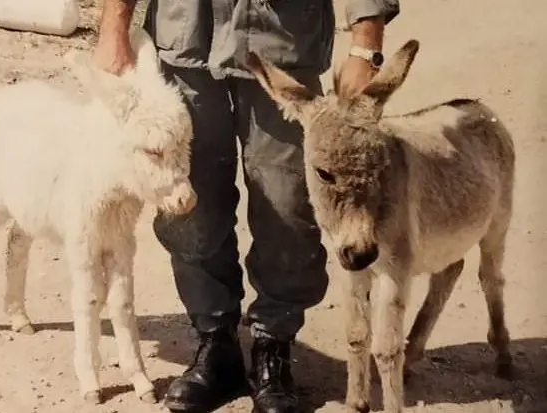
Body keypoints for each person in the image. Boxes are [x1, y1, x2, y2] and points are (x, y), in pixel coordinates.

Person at [92, 1, 399, 412]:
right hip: (186, 42)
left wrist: (366, 44)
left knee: (288, 205)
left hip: (282, 44)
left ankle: (274, 346)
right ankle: (215, 341)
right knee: (188, 206)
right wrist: (114, 24)